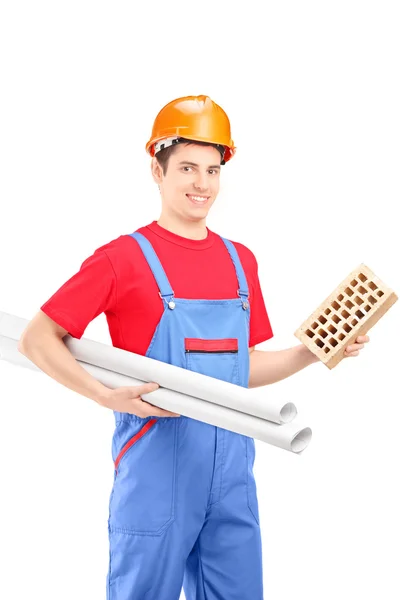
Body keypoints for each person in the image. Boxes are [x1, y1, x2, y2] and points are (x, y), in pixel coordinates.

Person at [18, 94, 369, 600]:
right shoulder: (122, 259)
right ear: (157, 172)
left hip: (232, 476)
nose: (201, 184)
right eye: (186, 167)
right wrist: (101, 395)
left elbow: (238, 371)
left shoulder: (239, 261)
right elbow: (37, 337)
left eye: (212, 169)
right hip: (157, 472)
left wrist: (311, 352)